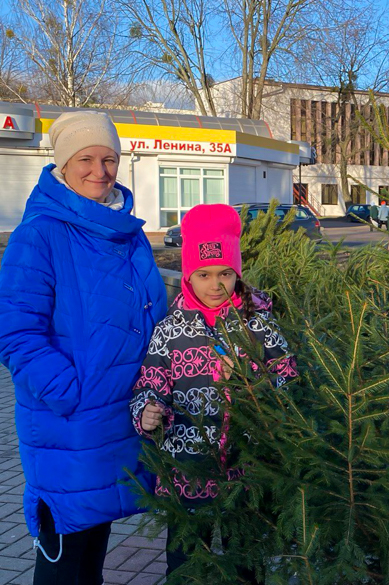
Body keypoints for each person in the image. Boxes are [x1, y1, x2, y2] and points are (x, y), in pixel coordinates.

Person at [0, 111, 168, 584]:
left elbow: (150, 314)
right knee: (65, 559)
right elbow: (15, 333)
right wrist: (71, 393)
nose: (100, 171)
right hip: (71, 423)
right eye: (86, 159)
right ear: (62, 164)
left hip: (122, 418)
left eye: (109, 159)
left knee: (91, 552)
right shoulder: (40, 234)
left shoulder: (125, 231)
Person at [129, 204, 298, 579]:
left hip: (247, 467)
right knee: (187, 563)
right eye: (203, 274)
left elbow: (288, 379)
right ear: (189, 276)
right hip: (187, 469)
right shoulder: (170, 330)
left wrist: (252, 383)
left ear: (237, 274)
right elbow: (150, 382)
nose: (215, 285)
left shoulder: (258, 324)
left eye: (226, 273)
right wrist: (147, 411)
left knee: (246, 562)